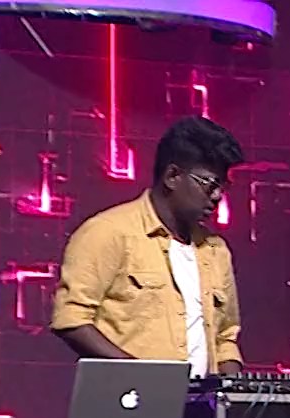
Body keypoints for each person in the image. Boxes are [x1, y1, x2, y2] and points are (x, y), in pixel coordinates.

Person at [51, 116, 246, 376]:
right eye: (209, 184)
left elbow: (225, 339)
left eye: (223, 186)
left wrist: (232, 391)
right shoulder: (108, 232)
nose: (218, 196)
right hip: (129, 397)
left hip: (202, 401)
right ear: (172, 176)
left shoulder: (216, 250)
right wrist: (144, 378)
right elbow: (71, 319)